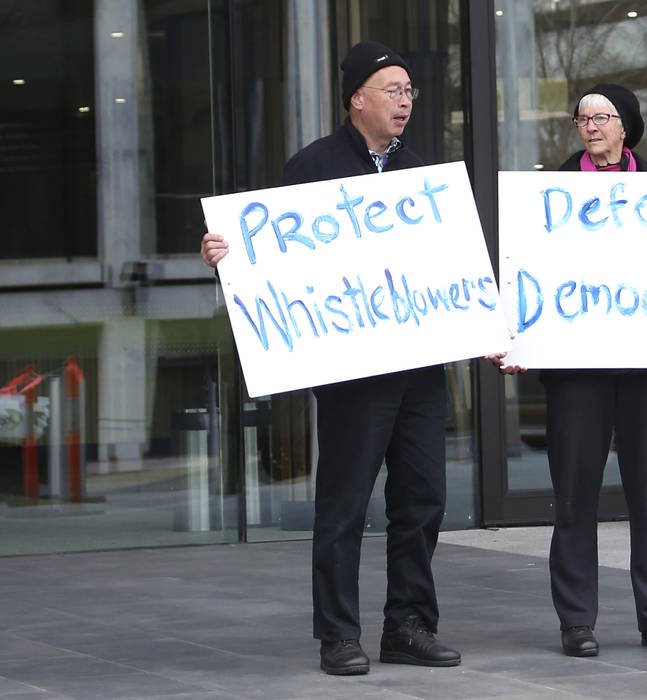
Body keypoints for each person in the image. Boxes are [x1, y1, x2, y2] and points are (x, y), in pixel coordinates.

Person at [201, 41, 460, 676]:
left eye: (409, 92)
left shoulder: (419, 172)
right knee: (344, 506)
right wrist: (224, 254)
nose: (404, 101)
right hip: (353, 373)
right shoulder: (311, 168)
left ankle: (408, 624)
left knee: (423, 500)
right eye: (393, 90)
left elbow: (442, 261)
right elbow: (271, 253)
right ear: (358, 99)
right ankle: (338, 634)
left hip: (421, 368)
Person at [495, 84, 647, 658]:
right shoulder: (550, 192)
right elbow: (526, 268)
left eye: (602, 117)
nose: (591, 126)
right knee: (575, 498)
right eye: (582, 118)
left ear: (626, 126)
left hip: (645, 366)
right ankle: (577, 620)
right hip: (577, 370)